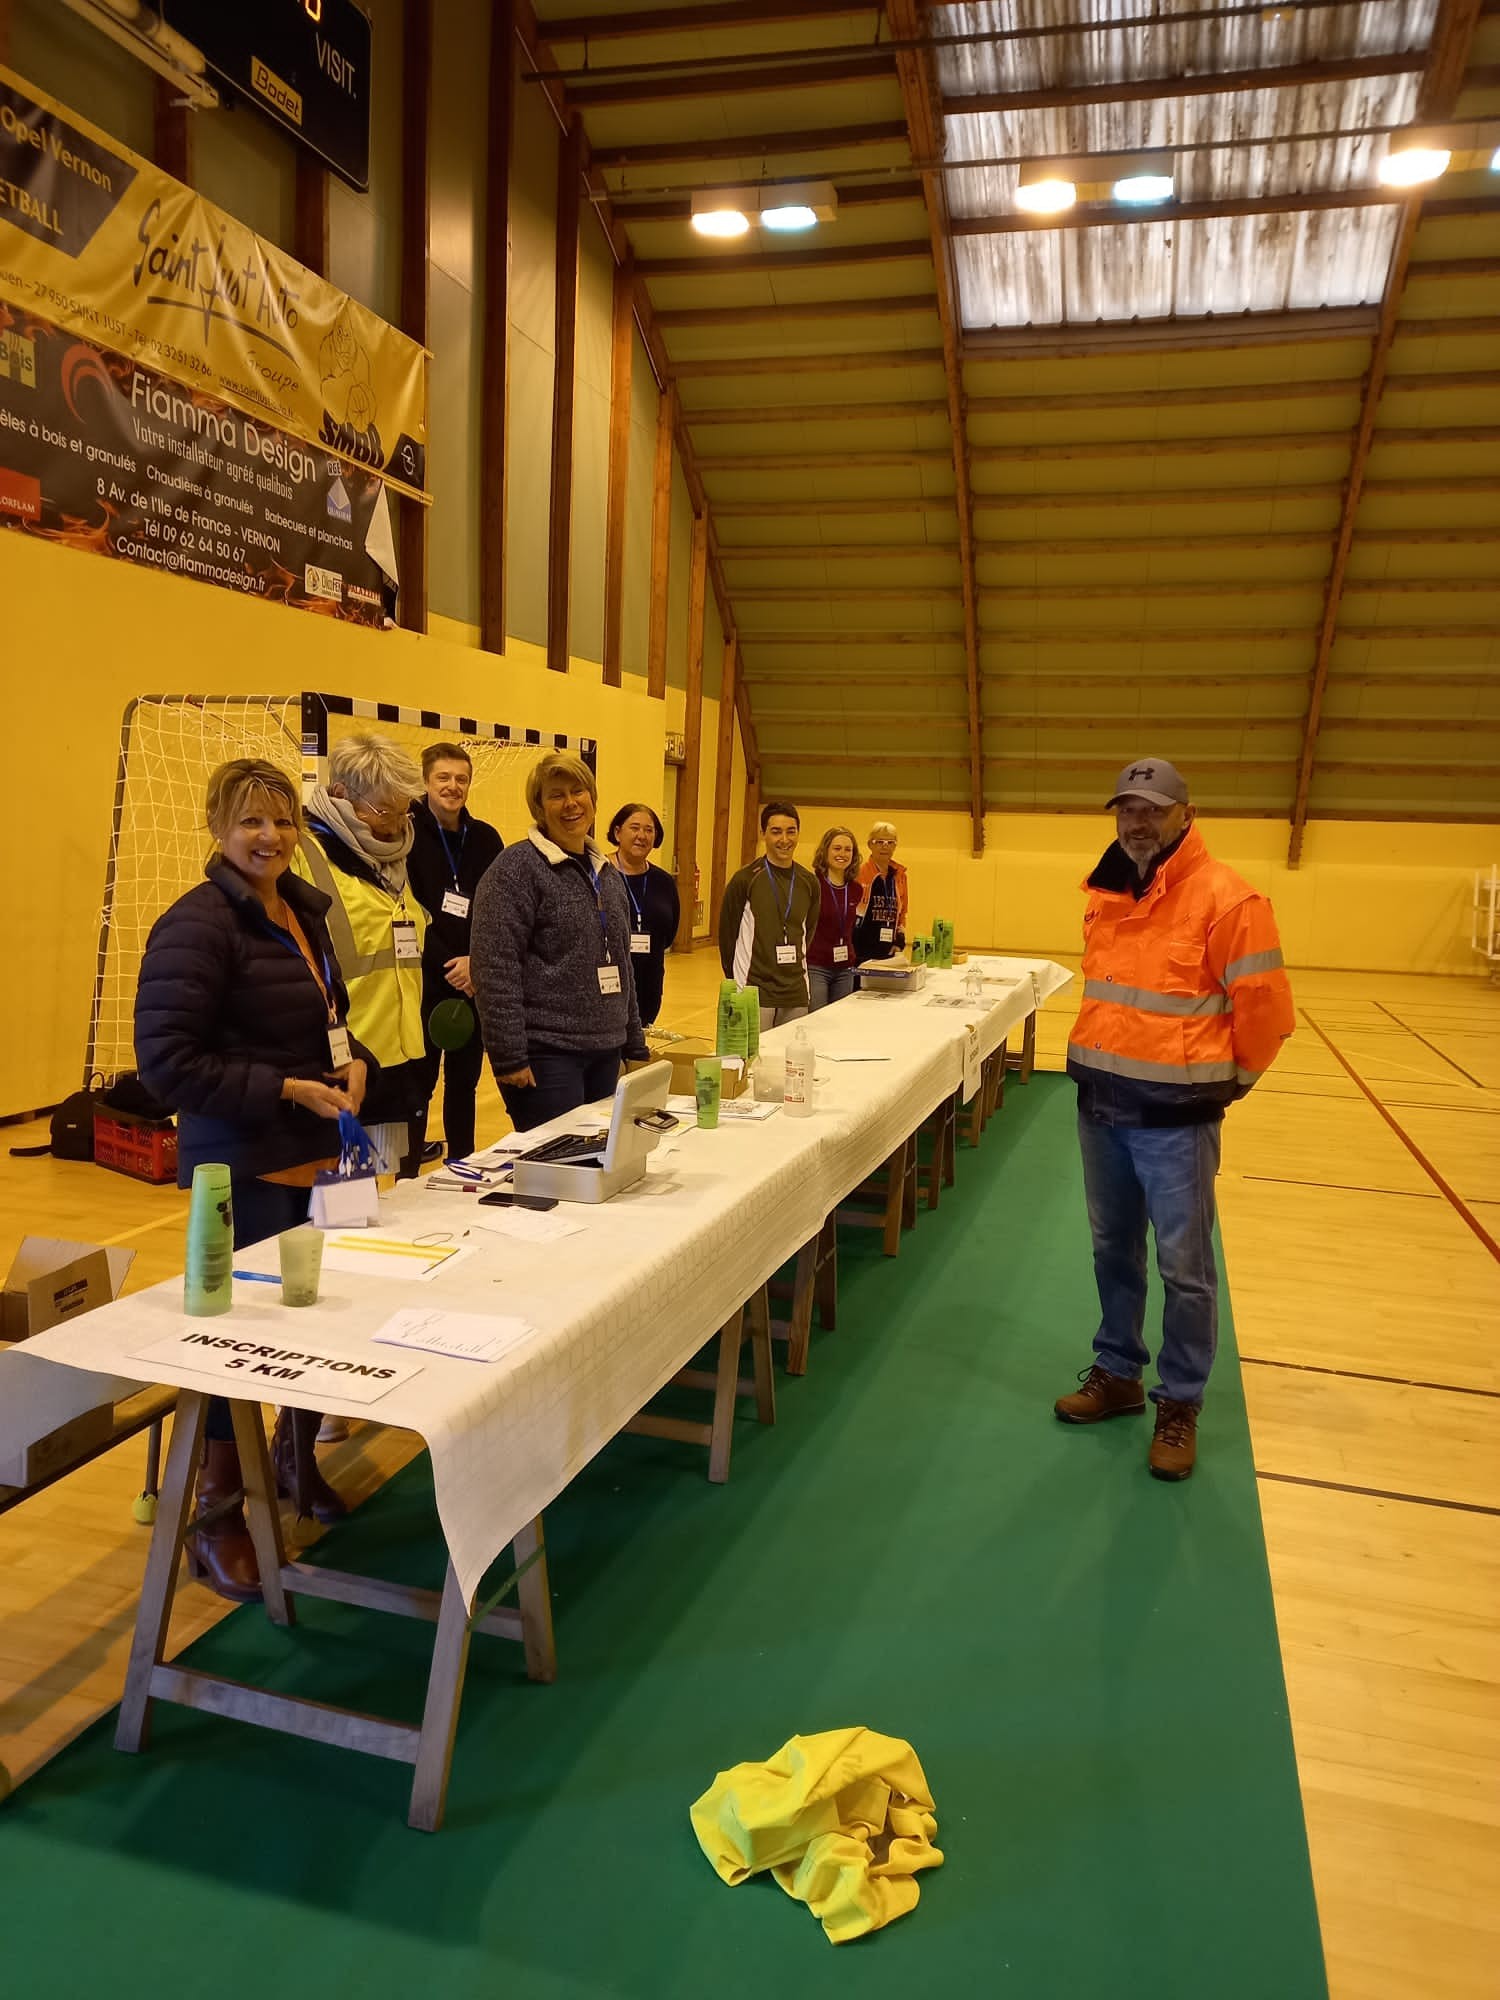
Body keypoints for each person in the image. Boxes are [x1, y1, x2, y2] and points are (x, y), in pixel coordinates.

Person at [135, 759, 367, 1601]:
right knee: (243, 1348)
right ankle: (219, 1516)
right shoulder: (195, 926)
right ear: (216, 828)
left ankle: (295, 1466)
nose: (270, 837)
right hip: (234, 1162)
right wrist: (279, 1088)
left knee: (313, 1322)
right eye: (250, 823)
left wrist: (353, 1066)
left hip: (312, 1154)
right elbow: (166, 1064)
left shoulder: (301, 910)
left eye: (281, 820)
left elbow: (323, 1024)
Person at [1054, 758, 1295, 1482]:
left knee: (1184, 1268)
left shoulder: (1229, 899)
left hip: (1174, 1123)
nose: (1138, 820)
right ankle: (1119, 1371)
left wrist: (1221, 1090)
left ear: (1186, 813)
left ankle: (1180, 1400)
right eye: (1127, 808)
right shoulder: (1103, 890)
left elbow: (1268, 1017)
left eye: (1153, 808)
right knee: (1112, 1251)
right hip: (1101, 1108)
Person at [470, 751, 649, 1132]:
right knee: (557, 1172)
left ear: (593, 799)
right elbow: (494, 968)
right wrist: (509, 1055)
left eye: (578, 791)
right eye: (556, 795)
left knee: (599, 1166)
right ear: (539, 806)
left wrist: (633, 1042)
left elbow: (623, 966)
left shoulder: (608, 875)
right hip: (546, 1057)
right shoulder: (514, 871)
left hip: (606, 1051)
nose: (570, 803)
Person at [297, 732, 428, 1179]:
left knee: (378, 1199)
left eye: (404, 810)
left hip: (397, 1057)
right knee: (336, 1205)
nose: (395, 825)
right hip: (337, 1062)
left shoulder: (396, 858)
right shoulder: (302, 853)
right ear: (341, 795)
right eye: (384, 811)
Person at [407, 742, 503, 1162]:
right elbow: (405, 907)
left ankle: (462, 1165)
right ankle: (406, 1173)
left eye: (460, 778)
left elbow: (499, 909)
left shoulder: (484, 839)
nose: (453, 786)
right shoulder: (404, 834)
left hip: (472, 981)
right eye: (443, 778)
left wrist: (475, 963)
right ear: (426, 781)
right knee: (418, 1084)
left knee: (463, 1084)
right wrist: (449, 964)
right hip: (423, 981)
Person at [718, 800, 820, 1027]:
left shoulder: (809, 882)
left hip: (795, 992)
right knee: (755, 1059)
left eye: (790, 831)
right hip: (754, 990)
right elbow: (727, 937)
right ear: (763, 834)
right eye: (776, 832)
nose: (784, 840)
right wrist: (737, 983)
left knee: (789, 1059)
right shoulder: (745, 879)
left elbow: (808, 931)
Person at [608, 800, 679, 1029]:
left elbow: (669, 932)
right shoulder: (598, 874)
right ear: (618, 832)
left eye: (649, 830)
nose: (642, 835)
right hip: (608, 986)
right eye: (635, 828)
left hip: (649, 985)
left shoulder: (664, 882)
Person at [808, 826, 863, 1010]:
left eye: (848, 850)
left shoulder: (856, 889)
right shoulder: (812, 885)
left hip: (845, 967)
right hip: (816, 966)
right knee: (817, 1019)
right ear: (825, 851)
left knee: (839, 1020)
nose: (843, 854)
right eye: (837, 848)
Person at [854, 820, 908, 965]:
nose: (885, 846)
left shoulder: (900, 875)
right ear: (870, 845)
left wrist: (899, 941)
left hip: (889, 951)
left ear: (895, 846)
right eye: (879, 841)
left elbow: (902, 913)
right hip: (861, 951)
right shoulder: (858, 873)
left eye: (890, 842)